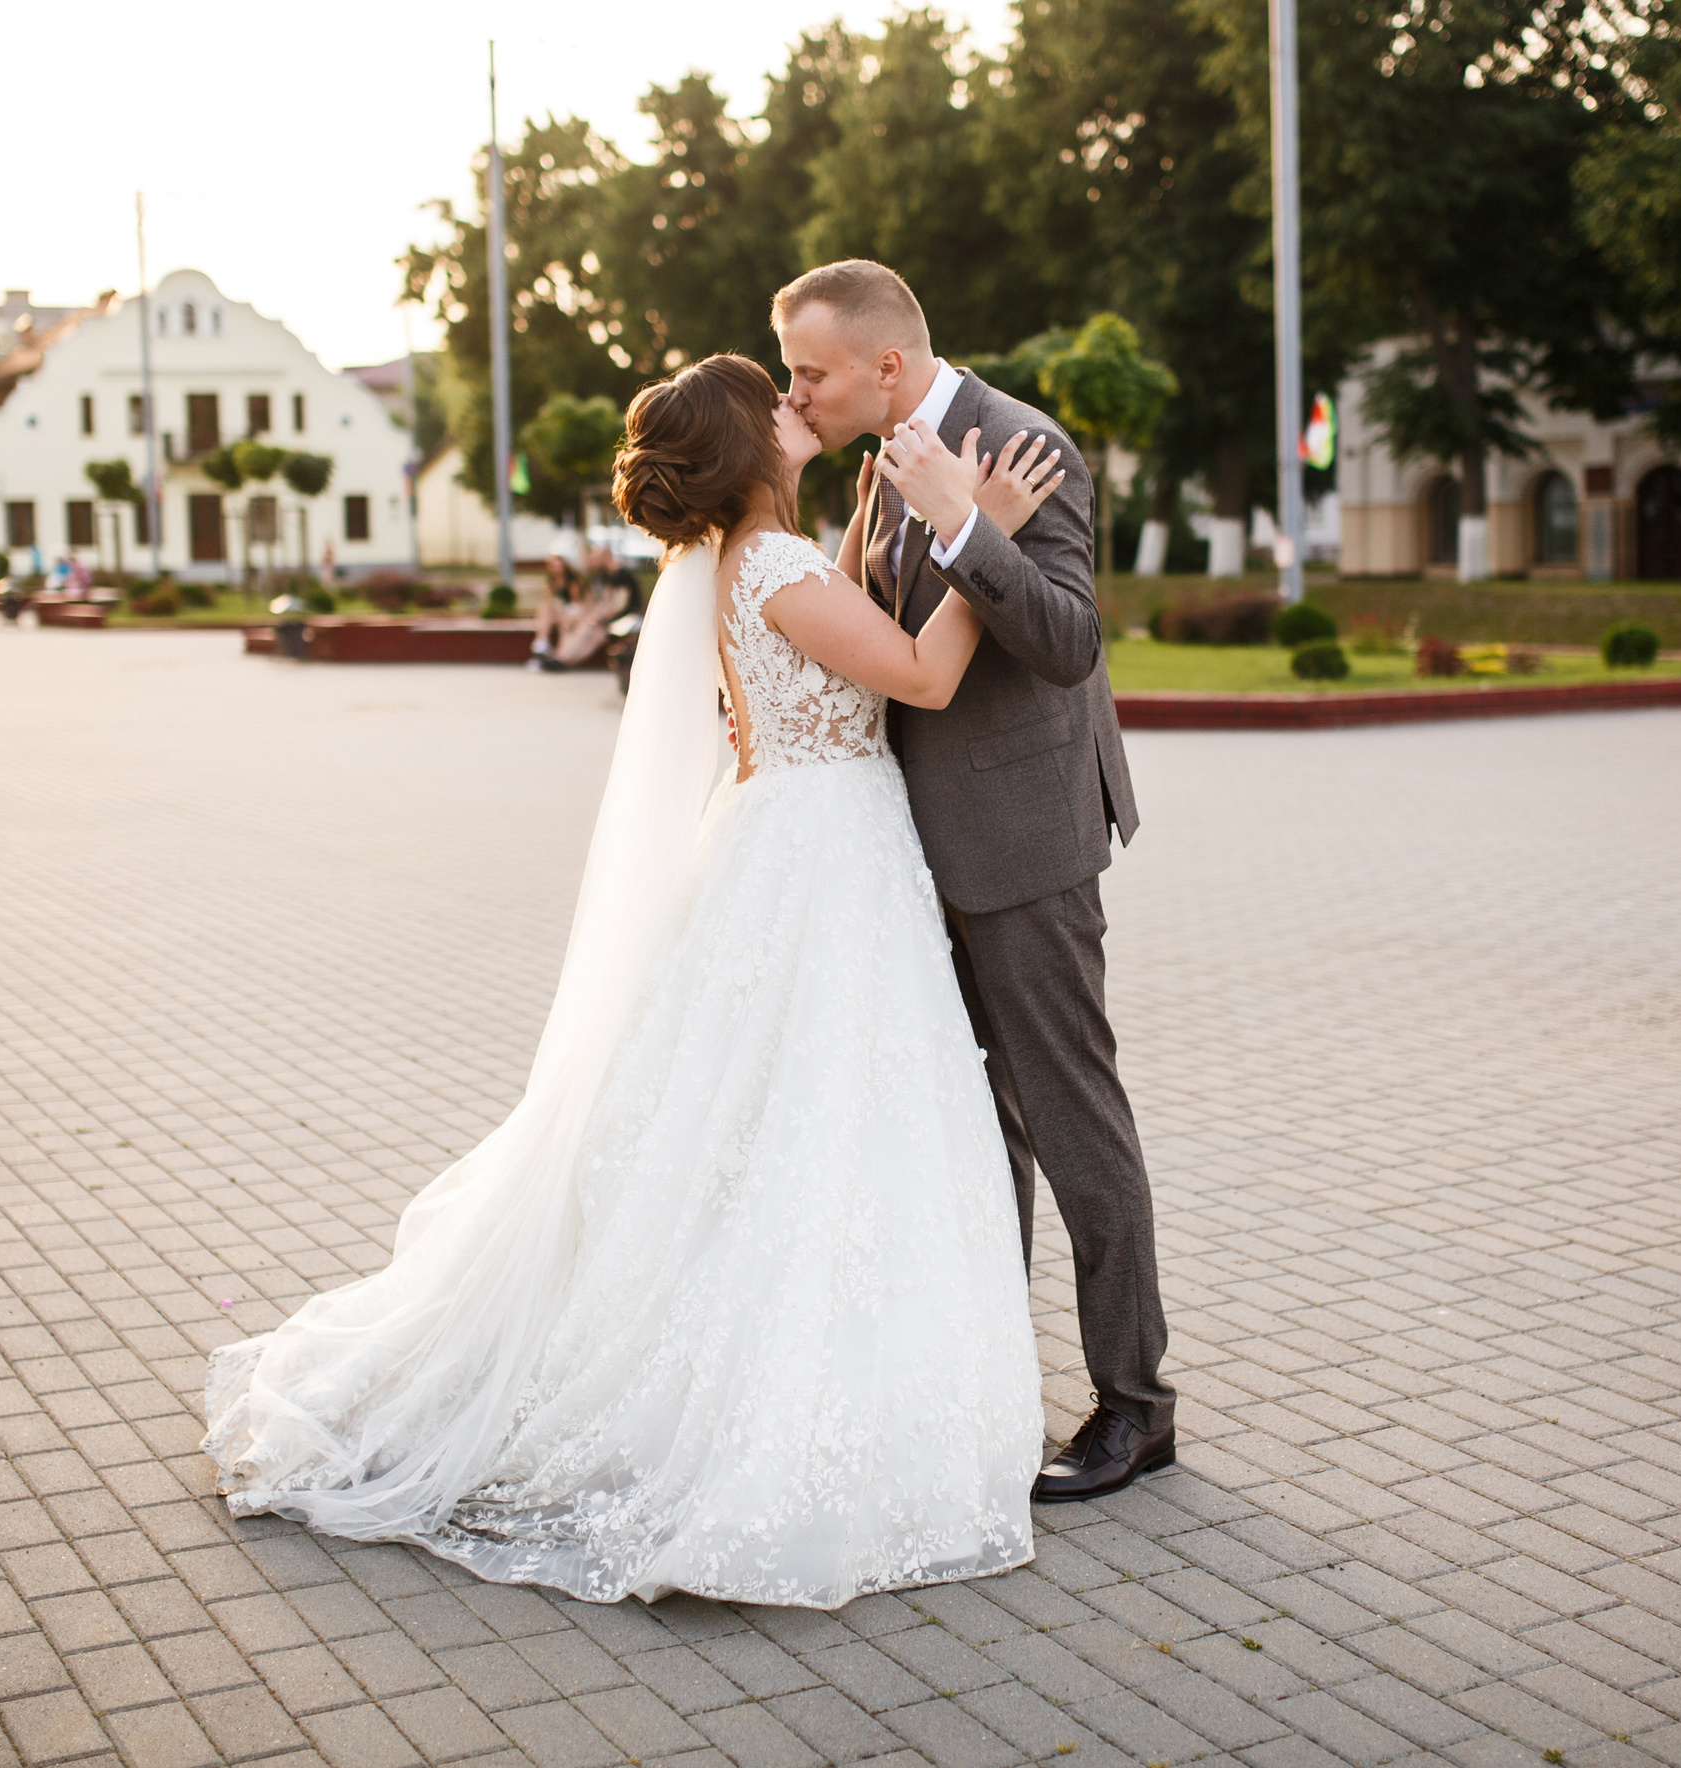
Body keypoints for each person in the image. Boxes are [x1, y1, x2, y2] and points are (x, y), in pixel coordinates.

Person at [203, 352, 1064, 1607]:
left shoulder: (745, 557)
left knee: (796, 1127)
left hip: (813, 846)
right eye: (773, 401)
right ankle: (780, 1390)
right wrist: (988, 538)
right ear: (751, 450)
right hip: (821, 859)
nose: (794, 403)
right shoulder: (768, 564)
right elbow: (926, 677)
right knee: (817, 1128)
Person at [775, 259, 1175, 1502]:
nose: (799, 391)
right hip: (915, 851)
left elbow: (1066, 643)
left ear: (886, 367)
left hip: (1021, 843)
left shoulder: (1019, 445)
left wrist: (965, 525)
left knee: (1069, 1120)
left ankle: (1135, 1406)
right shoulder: (877, 457)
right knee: (969, 1128)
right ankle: (993, 1380)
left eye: (813, 372)